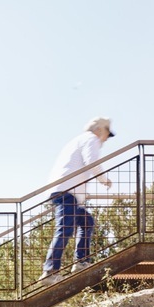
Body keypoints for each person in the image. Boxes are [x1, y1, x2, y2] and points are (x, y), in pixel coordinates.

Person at [39, 116, 115, 282]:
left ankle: (81, 261)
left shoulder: (77, 140)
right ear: (100, 129)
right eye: (107, 134)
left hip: (66, 192)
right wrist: (104, 180)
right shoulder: (91, 139)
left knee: (86, 221)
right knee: (65, 229)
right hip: (67, 192)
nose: (105, 140)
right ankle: (50, 270)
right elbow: (92, 162)